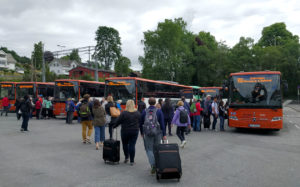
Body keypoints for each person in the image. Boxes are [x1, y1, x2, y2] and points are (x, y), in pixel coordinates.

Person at [140, 97, 166, 174]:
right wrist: (164, 134)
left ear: (148, 102)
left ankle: (153, 164)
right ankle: (158, 164)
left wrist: (142, 132)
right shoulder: (159, 111)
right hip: (157, 133)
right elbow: (162, 123)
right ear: (155, 103)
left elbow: (141, 122)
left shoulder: (144, 111)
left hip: (148, 133)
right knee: (157, 148)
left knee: (149, 149)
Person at [114, 100, 140, 165]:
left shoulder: (124, 113)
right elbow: (140, 121)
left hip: (125, 130)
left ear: (127, 105)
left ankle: (126, 157)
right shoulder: (137, 113)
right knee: (132, 145)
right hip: (134, 131)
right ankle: (132, 160)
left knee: (125, 144)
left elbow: (118, 121)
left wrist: (114, 126)